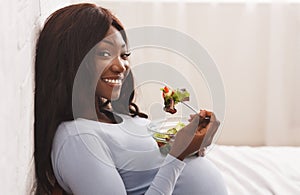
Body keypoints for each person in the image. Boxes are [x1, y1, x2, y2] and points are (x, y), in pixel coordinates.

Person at [34, 3, 228, 195]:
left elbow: (154, 169)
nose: (121, 66)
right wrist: (178, 156)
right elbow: (172, 163)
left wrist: (193, 144)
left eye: (124, 54)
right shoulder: (77, 139)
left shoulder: (115, 116)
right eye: (105, 53)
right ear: (71, 59)